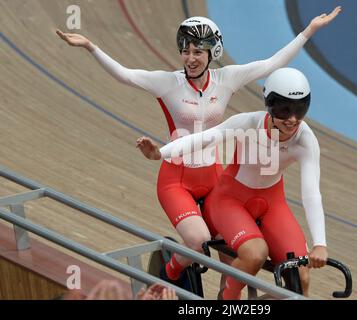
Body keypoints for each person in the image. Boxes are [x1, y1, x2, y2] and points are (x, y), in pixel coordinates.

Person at [57, 8, 340, 288]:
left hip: (214, 176)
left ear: (212, 53)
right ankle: (168, 273)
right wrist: (91, 47)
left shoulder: (226, 79)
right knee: (199, 245)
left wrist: (308, 31)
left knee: (234, 259)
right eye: (185, 51)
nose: (190, 59)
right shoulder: (168, 82)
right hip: (177, 178)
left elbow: (272, 63)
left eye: (197, 52)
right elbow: (125, 75)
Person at [136, 67, 327, 299]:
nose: (293, 119)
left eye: (300, 110)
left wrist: (320, 243)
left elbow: (311, 194)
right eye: (284, 110)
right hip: (230, 200)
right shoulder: (248, 123)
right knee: (255, 254)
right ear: (270, 105)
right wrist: (161, 153)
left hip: (272, 204)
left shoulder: (306, 140)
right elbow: (202, 139)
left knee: (300, 279)